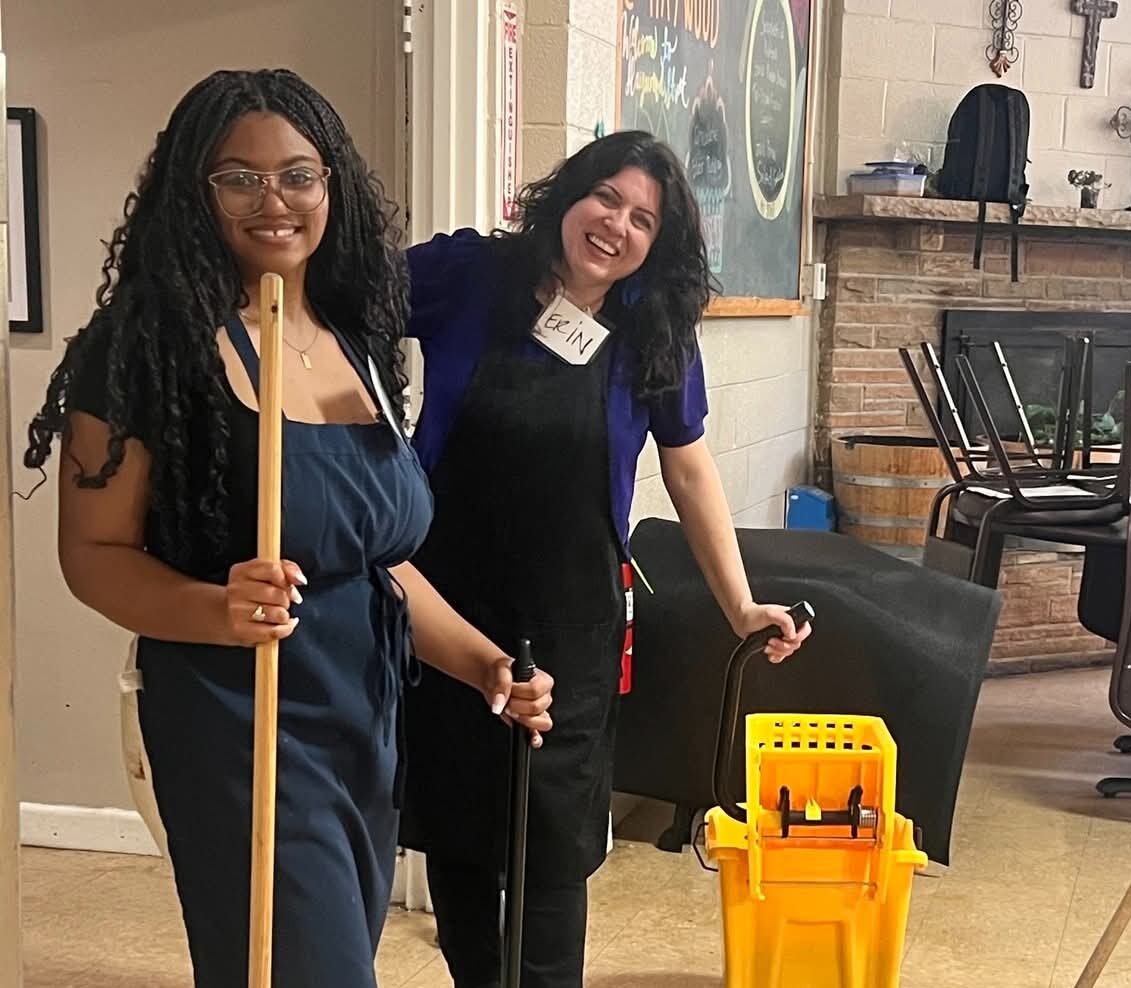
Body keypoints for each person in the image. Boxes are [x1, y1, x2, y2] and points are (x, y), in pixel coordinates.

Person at [24, 69, 554, 987]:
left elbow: (374, 561)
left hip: (366, 705)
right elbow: (92, 557)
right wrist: (215, 607)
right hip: (241, 706)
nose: (274, 200)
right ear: (195, 192)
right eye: (239, 177)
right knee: (304, 968)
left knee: (329, 952)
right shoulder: (146, 346)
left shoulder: (354, 338)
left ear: (330, 187)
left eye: (298, 175)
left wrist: (481, 664)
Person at [399, 129, 812, 987]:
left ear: (656, 245)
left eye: (643, 219)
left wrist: (740, 606)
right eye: (606, 198)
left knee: (554, 846)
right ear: (569, 196)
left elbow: (689, 468)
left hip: (573, 619)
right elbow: (341, 302)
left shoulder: (650, 330)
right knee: (461, 827)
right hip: (446, 605)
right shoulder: (469, 276)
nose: (616, 226)